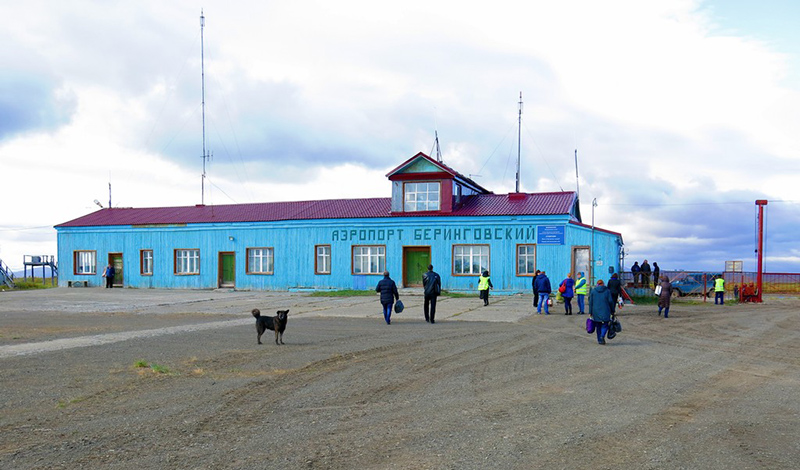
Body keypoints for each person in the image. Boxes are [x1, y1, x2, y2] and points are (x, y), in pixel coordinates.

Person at [589, 280, 615, 345]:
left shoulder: (593, 291)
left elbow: (590, 303)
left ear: (597, 284)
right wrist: (613, 310)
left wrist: (590, 312)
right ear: (603, 284)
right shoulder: (607, 291)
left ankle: (599, 339)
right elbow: (611, 301)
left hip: (595, 311)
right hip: (605, 310)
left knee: (598, 326)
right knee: (605, 325)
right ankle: (602, 336)